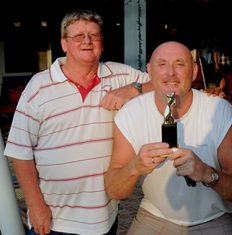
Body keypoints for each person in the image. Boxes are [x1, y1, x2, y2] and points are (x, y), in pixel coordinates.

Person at [4, 9, 151, 235]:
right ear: (64, 43)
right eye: (78, 36)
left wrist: (133, 88)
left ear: (102, 42)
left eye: (94, 35)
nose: (87, 41)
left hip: (104, 218)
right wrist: (35, 205)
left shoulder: (120, 75)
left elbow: (165, 85)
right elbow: (20, 151)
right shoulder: (39, 86)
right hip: (54, 220)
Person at [105, 41, 232, 234]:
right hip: (155, 214)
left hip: (214, 217)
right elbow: (113, 190)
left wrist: (207, 173)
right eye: (162, 64)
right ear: (149, 71)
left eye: (180, 64)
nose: (171, 73)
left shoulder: (219, 112)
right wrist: (135, 166)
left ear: (195, 71)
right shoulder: (131, 113)